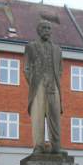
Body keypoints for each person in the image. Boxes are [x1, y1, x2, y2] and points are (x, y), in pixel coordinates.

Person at [24, 19, 63, 153]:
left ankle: (56, 146)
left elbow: (60, 70)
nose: (47, 31)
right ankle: (38, 146)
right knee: (38, 116)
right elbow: (26, 68)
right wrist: (34, 82)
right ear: (38, 30)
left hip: (53, 85)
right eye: (44, 28)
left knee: (55, 116)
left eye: (49, 28)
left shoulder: (57, 50)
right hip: (38, 86)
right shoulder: (31, 47)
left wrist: (54, 81)